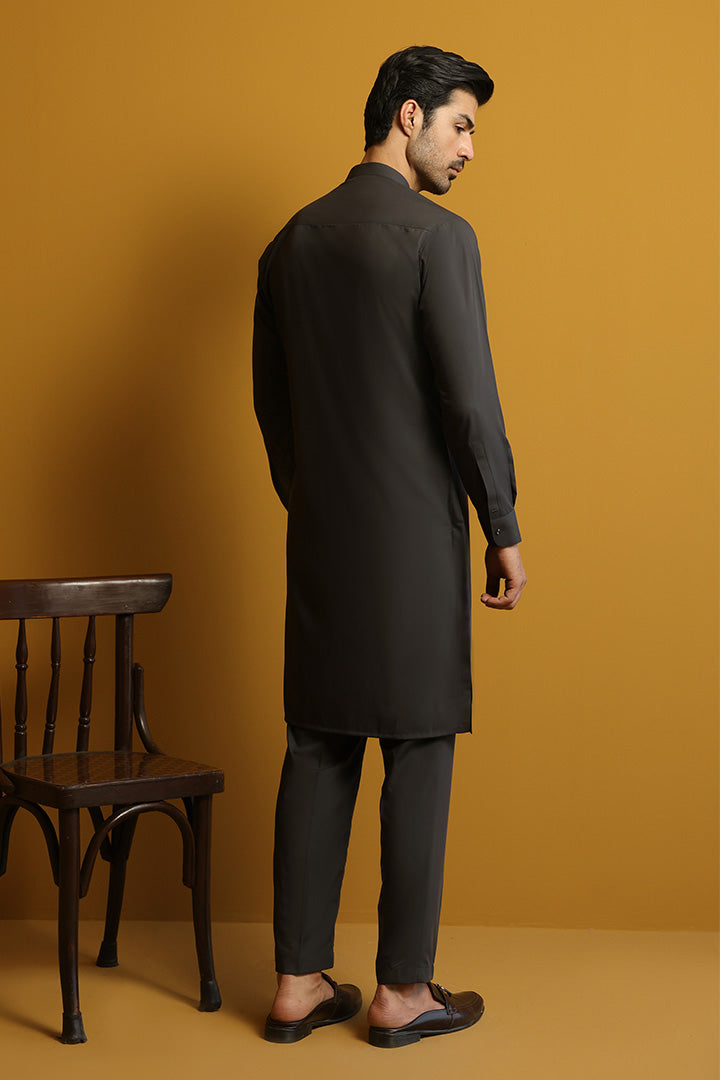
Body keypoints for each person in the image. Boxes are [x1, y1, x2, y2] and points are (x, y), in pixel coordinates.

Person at [252, 44, 526, 1049]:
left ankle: (296, 983)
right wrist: (502, 526)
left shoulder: (290, 243)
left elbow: (273, 408)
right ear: (407, 117)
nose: (468, 149)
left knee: (317, 746)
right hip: (413, 541)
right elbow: (470, 403)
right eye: (460, 125)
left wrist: (316, 503)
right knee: (417, 749)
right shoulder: (436, 238)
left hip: (323, 539)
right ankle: (403, 991)